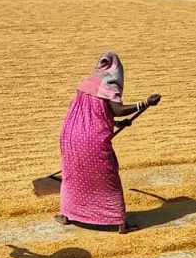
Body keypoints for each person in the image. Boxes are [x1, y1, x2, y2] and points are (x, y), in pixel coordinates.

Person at [56, 53, 161, 234]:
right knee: (107, 177)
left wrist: (115, 124)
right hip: (92, 139)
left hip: (69, 135)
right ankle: (120, 223)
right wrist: (144, 103)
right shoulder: (109, 85)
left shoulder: (86, 82)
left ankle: (66, 215)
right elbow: (117, 110)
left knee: (72, 175)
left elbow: (92, 112)